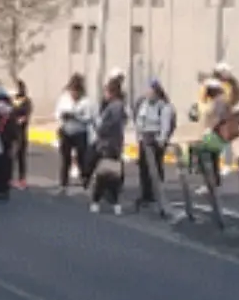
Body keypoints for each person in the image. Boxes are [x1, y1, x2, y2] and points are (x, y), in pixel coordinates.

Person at [88, 75, 129, 215]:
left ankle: (98, 201)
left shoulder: (114, 107)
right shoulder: (117, 106)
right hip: (114, 145)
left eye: (106, 92)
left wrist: (97, 127)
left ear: (111, 93)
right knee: (113, 175)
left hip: (108, 145)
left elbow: (107, 126)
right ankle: (113, 202)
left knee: (105, 174)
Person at [133, 79, 177, 208]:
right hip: (144, 138)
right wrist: (139, 137)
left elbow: (165, 125)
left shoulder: (164, 106)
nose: (148, 94)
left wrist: (162, 139)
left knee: (156, 167)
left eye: (150, 91)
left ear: (157, 93)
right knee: (143, 168)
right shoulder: (144, 104)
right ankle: (146, 194)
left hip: (155, 139)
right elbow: (139, 120)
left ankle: (157, 194)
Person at [55, 74, 95, 192]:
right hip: (66, 131)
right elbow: (57, 113)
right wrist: (64, 116)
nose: (74, 94)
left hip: (80, 132)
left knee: (82, 157)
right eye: (72, 91)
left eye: (76, 92)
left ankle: (85, 180)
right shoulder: (64, 99)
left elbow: (89, 117)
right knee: (65, 158)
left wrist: (76, 117)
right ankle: (63, 183)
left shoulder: (87, 101)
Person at [9, 80, 34, 190]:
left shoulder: (26, 101)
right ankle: (9, 178)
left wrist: (22, 119)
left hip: (21, 132)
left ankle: (22, 179)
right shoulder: (11, 101)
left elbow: (27, 115)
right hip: (11, 131)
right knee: (10, 155)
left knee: (21, 156)